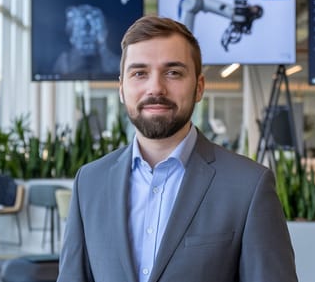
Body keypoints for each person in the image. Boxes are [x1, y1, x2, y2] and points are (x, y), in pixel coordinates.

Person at [57, 16, 297, 282]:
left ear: (199, 87)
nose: (155, 88)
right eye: (139, 73)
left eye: (173, 72)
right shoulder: (89, 182)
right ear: (122, 89)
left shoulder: (249, 186)